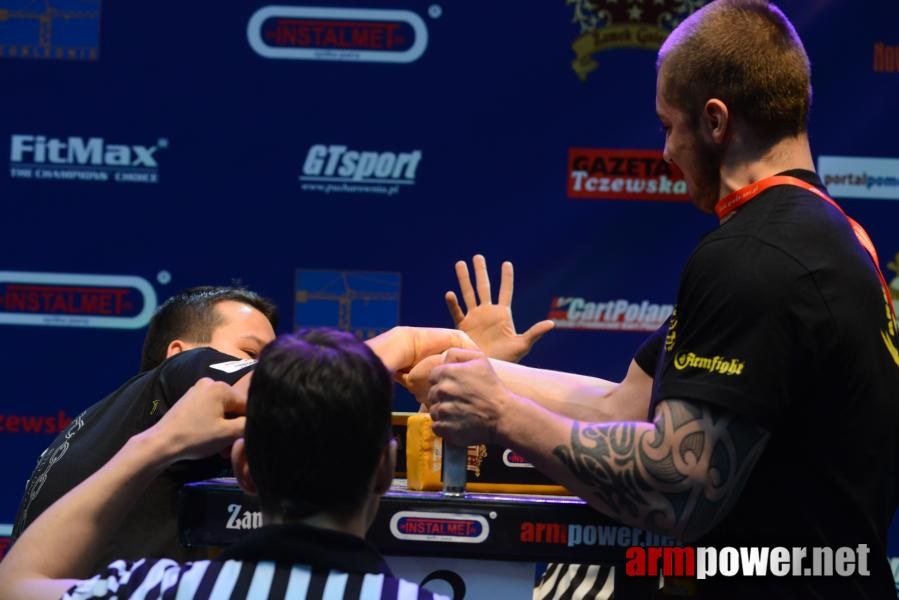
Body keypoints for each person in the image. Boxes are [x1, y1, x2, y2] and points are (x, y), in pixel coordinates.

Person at [422, 1, 899, 597]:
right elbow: (624, 406)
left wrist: (501, 416)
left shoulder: (756, 255)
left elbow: (676, 488)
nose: (666, 151)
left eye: (669, 125)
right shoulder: (826, 237)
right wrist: (474, 370)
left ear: (716, 121)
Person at [0, 327, 469, 600]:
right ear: (385, 470)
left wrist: (155, 444)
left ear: (244, 468)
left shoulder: (159, 591)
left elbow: (15, 584)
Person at [11, 285, 280, 566]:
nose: (262, 366)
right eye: (250, 353)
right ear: (179, 353)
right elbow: (275, 390)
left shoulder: (94, 427)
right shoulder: (184, 368)